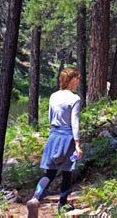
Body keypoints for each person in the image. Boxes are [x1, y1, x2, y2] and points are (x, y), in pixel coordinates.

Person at [27, 67, 82, 218]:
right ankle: (63, 205)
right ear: (72, 80)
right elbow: (74, 122)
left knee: (49, 173)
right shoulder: (74, 99)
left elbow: (51, 117)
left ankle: (35, 198)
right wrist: (77, 143)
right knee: (67, 172)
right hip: (68, 138)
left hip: (53, 137)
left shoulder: (53, 96)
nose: (78, 81)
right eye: (77, 78)